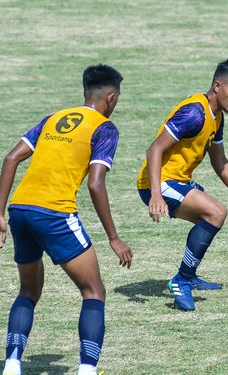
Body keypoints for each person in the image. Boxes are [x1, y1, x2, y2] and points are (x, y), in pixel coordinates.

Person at [0, 65, 132, 375]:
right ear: (110, 97)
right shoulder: (104, 128)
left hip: (20, 211)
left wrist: (0, 214)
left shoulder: (54, 119)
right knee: (94, 292)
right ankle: (88, 369)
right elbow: (95, 183)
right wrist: (114, 237)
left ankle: (12, 364)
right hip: (55, 213)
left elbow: (10, 159)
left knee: (28, 291)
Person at [136, 60, 228, 312]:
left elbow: (220, 162)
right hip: (157, 182)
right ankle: (181, 279)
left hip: (177, 181)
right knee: (215, 212)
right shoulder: (194, 113)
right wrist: (155, 194)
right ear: (217, 86)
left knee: (210, 217)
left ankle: (188, 275)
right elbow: (154, 149)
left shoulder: (216, 118)